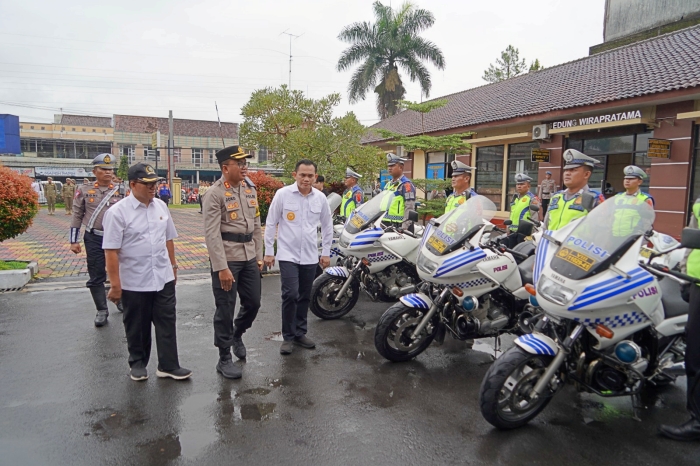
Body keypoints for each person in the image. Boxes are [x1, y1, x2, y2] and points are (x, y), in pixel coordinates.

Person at [103, 162, 191, 382]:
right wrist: (115, 285)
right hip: (134, 280)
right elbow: (111, 251)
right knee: (137, 325)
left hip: (162, 276)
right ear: (133, 184)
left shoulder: (161, 206)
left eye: (155, 183)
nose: (153, 187)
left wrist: (173, 266)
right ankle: (138, 364)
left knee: (166, 321)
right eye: (148, 184)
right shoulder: (117, 213)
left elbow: (168, 239)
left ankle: (169, 365)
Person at [203, 146, 263, 380]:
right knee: (225, 308)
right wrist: (221, 268)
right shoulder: (214, 194)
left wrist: (258, 255)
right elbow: (212, 234)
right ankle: (224, 357)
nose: (244, 166)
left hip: (248, 257)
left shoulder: (250, 189)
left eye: (245, 162)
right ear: (226, 168)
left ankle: (237, 333)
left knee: (254, 303)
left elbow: (257, 226)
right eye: (239, 163)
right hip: (227, 259)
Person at [263, 159, 333, 355]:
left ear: (315, 177)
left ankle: (300, 333)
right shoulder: (283, 195)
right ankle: (288, 336)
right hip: (287, 254)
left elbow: (327, 227)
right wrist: (269, 251)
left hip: (310, 256)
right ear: (295, 175)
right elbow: (271, 222)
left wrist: (325, 253)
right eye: (302, 174)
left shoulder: (320, 198)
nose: (306, 179)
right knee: (290, 294)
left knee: (304, 296)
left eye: (310, 175)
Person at [69, 153, 124, 327]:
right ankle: (101, 310)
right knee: (96, 274)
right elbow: (77, 214)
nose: (108, 172)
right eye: (103, 169)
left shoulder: (121, 190)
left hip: (117, 238)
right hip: (94, 237)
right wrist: (74, 240)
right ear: (94, 171)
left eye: (110, 169)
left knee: (122, 271)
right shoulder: (84, 190)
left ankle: (120, 299)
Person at [542, 149, 605, 231]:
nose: (567, 173)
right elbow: (546, 226)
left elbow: (602, 231)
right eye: (566, 170)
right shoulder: (556, 197)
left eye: (573, 170)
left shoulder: (595, 198)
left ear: (586, 174)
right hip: (550, 243)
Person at [611, 165, 654, 237]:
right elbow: (610, 216)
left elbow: (647, 221)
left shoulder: (645, 199)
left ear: (639, 182)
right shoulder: (617, 197)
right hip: (614, 236)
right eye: (626, 179)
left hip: (633, 237)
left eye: (631, 179)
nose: (627, 181)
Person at [381, 153, 416, 228]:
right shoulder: (388, 185)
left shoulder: (406, 185)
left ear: (401, 167)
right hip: (385, 224)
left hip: (399, 227)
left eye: (393, 165)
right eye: (389, 166)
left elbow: (409, 207)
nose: (390, 168)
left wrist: (405, 227)